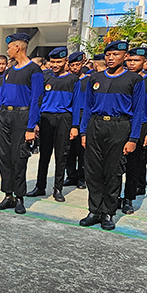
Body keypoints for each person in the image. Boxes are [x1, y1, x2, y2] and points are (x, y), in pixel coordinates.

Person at [79, 40, 146, 231]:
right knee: (93, 172)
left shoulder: (134, 79)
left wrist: (133, 138)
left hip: (119, 126)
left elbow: (138, 111)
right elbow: (88, 107)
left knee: (113, 172)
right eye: (108, 54)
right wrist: (84, 132)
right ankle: (94, 211)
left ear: (125, 56)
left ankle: (108, 212)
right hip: (96, 125)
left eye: (115, 54)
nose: (110, 58)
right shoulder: (95, 78)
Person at [0, 33, 45, 215]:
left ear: (17, 47)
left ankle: (19, 197)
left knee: (19, 158)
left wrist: (31, 126)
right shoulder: (9, 71)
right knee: (4, 157)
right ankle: (8, 195)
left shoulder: (34, 70)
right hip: (5, 115)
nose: (7, 51)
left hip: (22, 117)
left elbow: (36, 99)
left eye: (9, 47)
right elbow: (2, 97)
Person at [26, 47, 79, 202]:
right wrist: (36, 122)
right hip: (46, 118)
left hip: (64, 118)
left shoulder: (73, 80)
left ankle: (58, 188)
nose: (55, 65)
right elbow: (38, 100)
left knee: (61, 155)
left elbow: (77, 104)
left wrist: (75, 126)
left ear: (66, 61)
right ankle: (40, 186)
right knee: (44, 154)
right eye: (53, 62)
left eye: (59, 62)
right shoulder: (45, 78)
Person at [120, 47, 147, 214]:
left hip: (141, 125)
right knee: (115, 165)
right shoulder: (121, 78)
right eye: (129, 60)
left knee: (134, 164)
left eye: (136, 60)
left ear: (145, 62)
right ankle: (113, 197)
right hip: (120, 124)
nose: (132, 63)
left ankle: (128, 198)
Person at [65, 52, 89, 190]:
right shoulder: (68, 80)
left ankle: (82, 177)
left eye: (77, 65)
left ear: (82, 64)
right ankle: (71, 175)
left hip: (83, 116)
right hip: (70, 116)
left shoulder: (88, 81)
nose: (75, 67)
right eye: (72, 65)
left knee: (82, 149)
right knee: (69, 149)